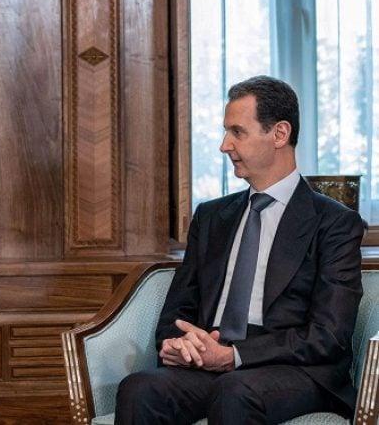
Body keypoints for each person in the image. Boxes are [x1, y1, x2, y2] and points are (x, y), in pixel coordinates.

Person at [115, 76, 365, 424]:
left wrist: (234, 355)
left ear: (279, 134)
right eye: (225, 132)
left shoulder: (335, 223)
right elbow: (178, 310)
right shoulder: (211, 217)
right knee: (140, 388)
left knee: (235, 390)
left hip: (295, 371)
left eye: (237, 132)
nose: (224, 145)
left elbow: (329, 335)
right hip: (212, 366)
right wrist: (178, 343)